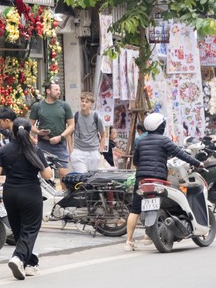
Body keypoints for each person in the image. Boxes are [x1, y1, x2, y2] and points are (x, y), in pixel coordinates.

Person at [125, 111, 202, 250]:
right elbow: (181, 154)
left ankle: (128, 242)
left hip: (142, 179)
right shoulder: (164, 140)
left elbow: (135, 160)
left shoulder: (141, 142)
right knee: (164, 204)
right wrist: (197, 163)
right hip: (158, 178)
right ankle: (148, 236)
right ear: (161, 126)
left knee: (135, 209)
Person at [0, 116, 53, 279]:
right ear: (29, 132)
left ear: (12, 131)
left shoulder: (4, 150)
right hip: (30, 193)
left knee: (19, 229)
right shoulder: (35, 150)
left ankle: (31, 263)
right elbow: (47, 175)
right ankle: (18, 257)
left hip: (10, 193)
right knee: (30, 228)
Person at [30, 83, 73, 170]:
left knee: (63, 174)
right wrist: (38, 132)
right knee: (43, 173)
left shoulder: (64, 106)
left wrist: (60, 137)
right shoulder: (37, 106)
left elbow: (71, 125)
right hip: (43, 144)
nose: (59, 92)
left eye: (59, 90)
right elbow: (29, 125)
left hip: (60, 145)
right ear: (48, 91)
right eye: (56, 90)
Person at [69, 92, 111, 174]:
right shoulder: (75, 116)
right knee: (82, 176)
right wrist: (71, 151)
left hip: (93, 152)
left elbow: (103, 135)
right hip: (78, 151)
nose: (83, 103)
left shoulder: (97, 117)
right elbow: (69, 134)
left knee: (91, 178)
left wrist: (100, 151)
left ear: (91, 104)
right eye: (82, 101)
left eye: (86, 102)